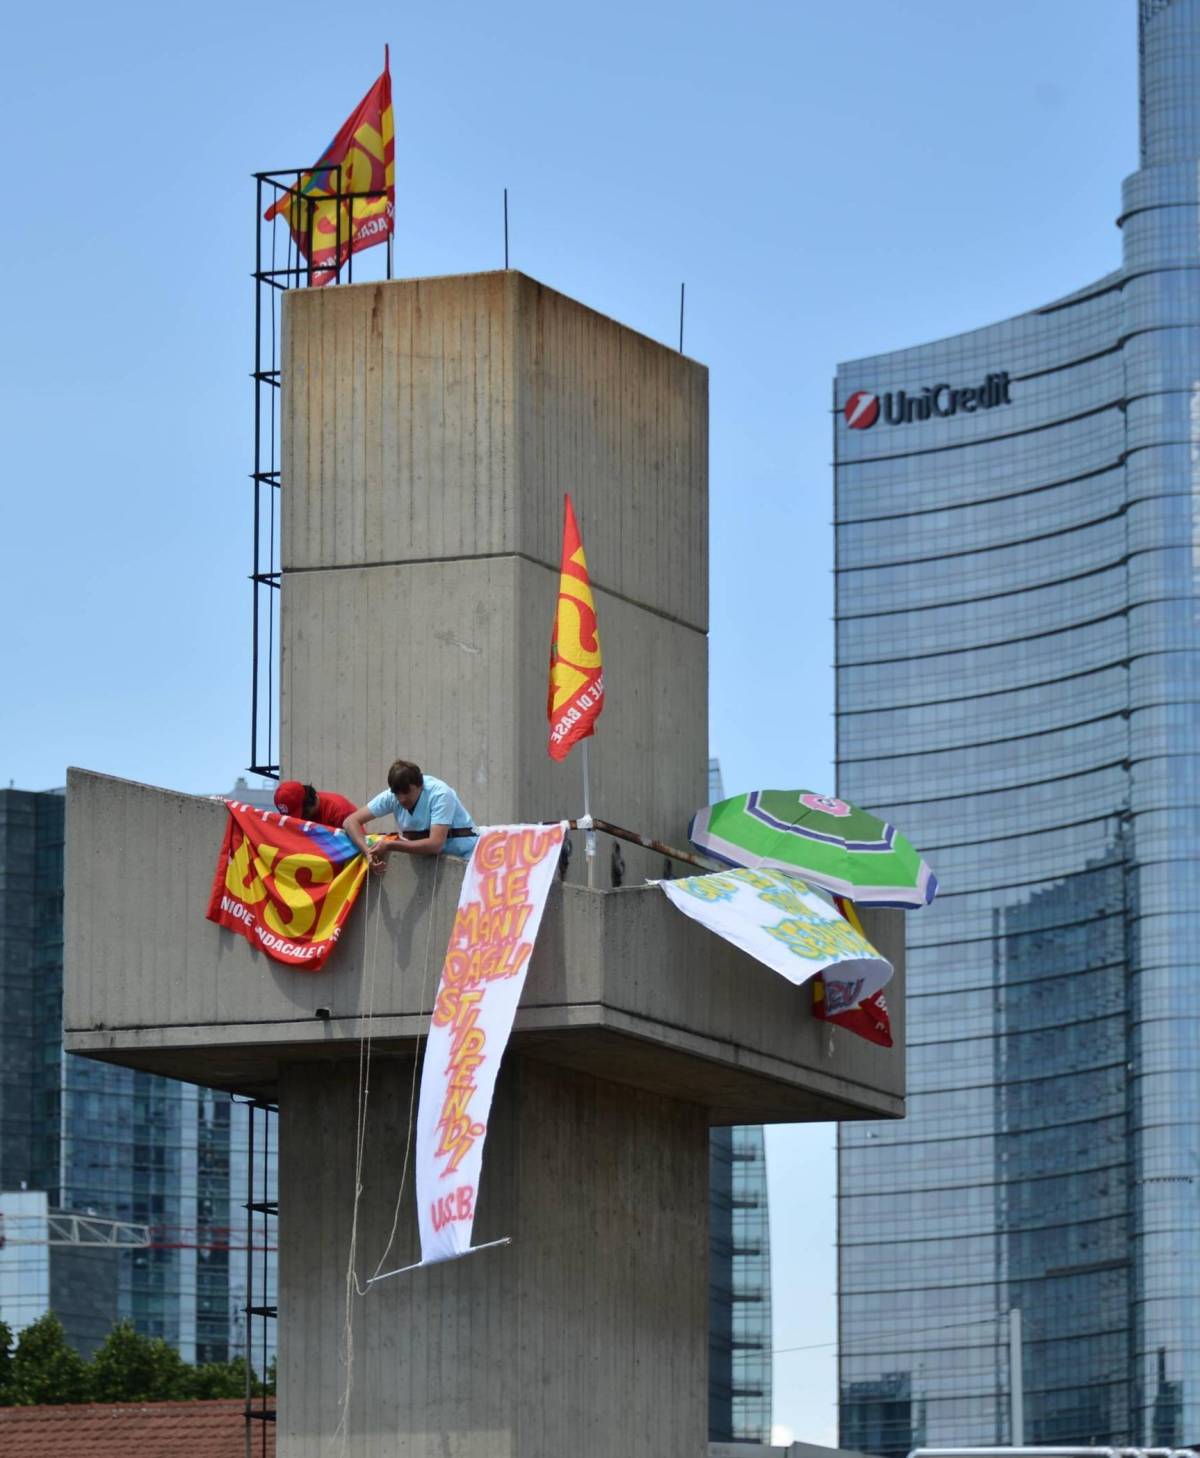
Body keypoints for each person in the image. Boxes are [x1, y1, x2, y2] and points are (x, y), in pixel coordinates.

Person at [343, 760, 477, 870]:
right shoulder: (391, 796)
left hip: (465, 858)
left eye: (406, 792)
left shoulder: (440, 794)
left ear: (420, 785)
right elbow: (350, 822)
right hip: (430, 864)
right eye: (397, 793)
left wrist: (391, 845)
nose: (401, 799)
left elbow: (435, 844)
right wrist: (368, 852)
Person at [274, 780, 359, 829]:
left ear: (309, 802)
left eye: (299, 816)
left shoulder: (340, 811)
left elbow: (361, 847)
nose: (299, 821)